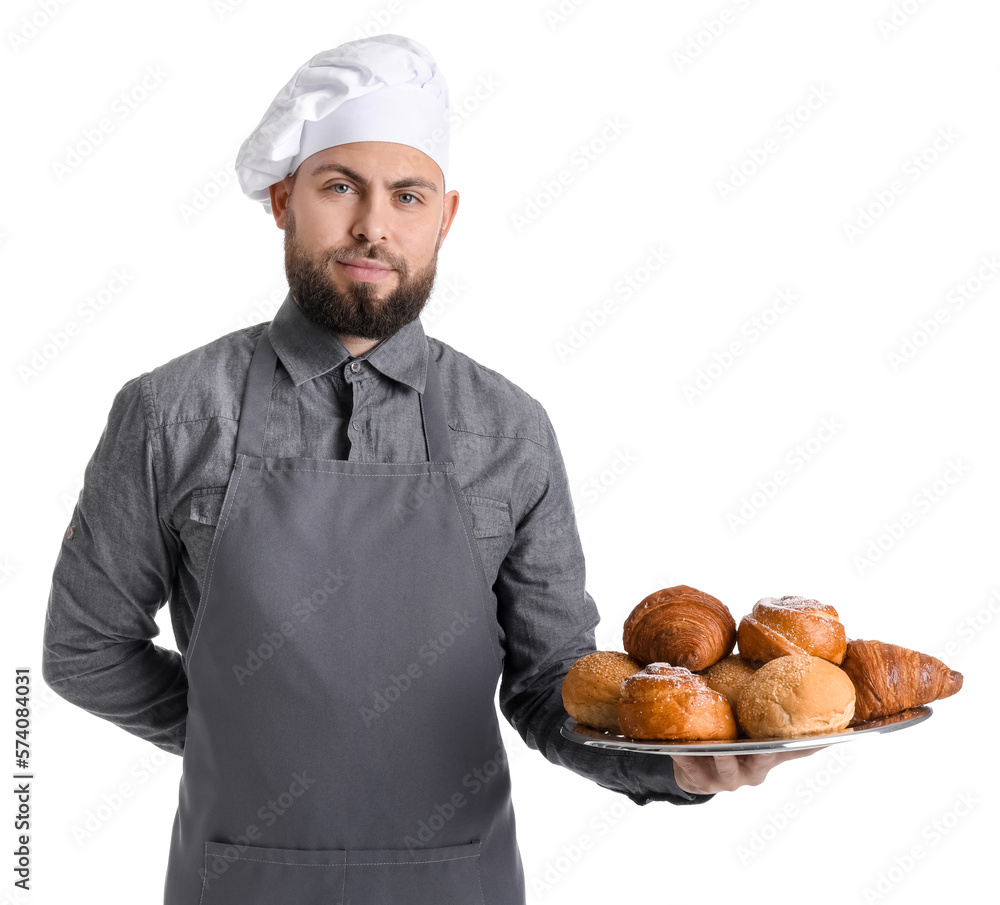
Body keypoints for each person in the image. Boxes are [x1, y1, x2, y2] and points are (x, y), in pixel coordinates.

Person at [41, 34, 814, 905]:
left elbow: (547, 682)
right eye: (340, 187)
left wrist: (677, 766)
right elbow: (83, 647)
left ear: (443, 218)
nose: (374, 224)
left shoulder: (509, 428)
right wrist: (242, 734)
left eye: (407, 195)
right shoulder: (170, 410)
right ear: (283, 199)